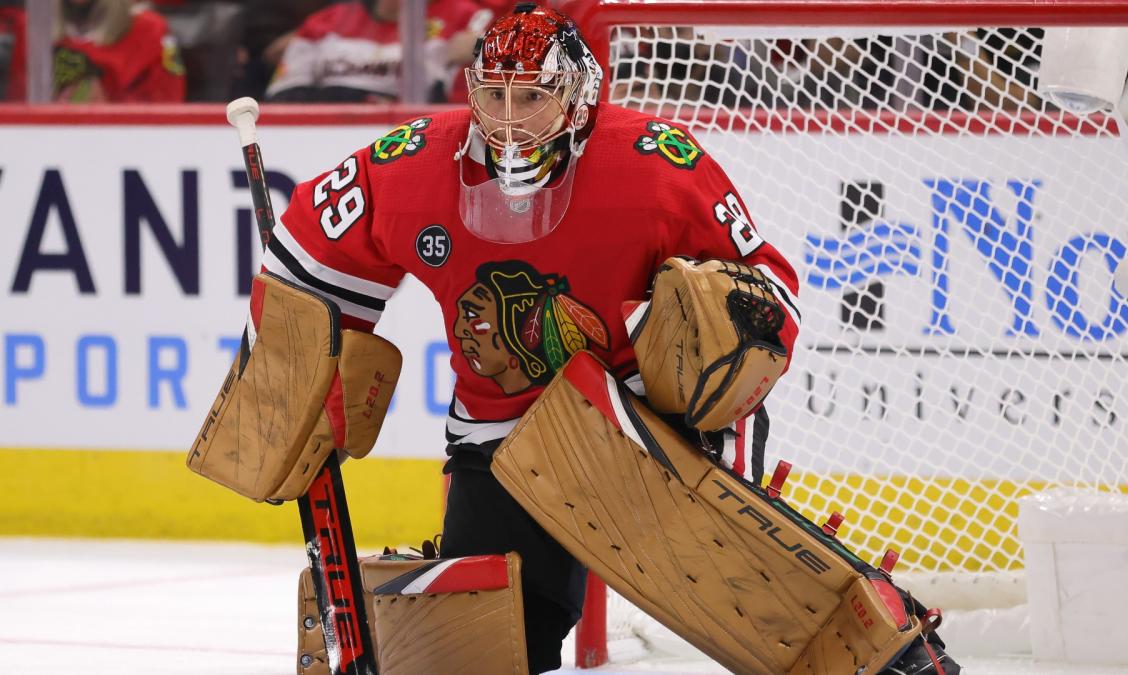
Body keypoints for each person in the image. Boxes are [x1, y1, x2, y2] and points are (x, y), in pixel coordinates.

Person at [258, 4, 957, 672]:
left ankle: (896, 653)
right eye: (491, 96)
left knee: (756, 599)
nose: (505, 120)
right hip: (503, 435)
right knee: (484, 647)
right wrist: (298, 365)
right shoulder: (415, 165)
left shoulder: (656, 166)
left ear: (576, 101)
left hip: (646, 422)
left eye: (529, 96)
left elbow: (767, 288)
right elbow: (300, 256)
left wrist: (727, 351)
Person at [265, 0, 491, 103]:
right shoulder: (327, 21)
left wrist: (479, 53)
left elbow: (468, 105)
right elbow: (284, 98)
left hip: (413, 138)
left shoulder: (469, 19)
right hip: (324, 138)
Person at [52, 0, 185, 103]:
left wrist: (110, 109)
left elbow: (167, 108)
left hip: (126, 133)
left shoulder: (150, 30)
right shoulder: (35, 30)